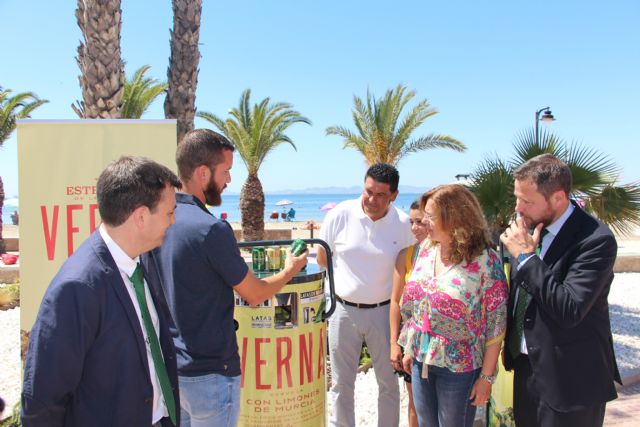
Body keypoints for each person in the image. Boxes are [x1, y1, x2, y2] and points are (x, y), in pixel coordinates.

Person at [148, 129, 308, 427]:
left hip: (171, 371)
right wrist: (290, 270)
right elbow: (256, 293)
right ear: (202, 172)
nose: (229, 181)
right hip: (211, 373)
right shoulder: (210, 229)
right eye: (226, 171)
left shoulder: (156, 224)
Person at [22, 156, 182, 427]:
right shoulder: (77, 287)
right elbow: (43, 399)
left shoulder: (141, 263)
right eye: (169, 212)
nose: (174, 221)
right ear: (141, 216)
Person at [500, 153, 621, 427]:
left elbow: (569, 308)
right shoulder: (528, 229)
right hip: (527, 370)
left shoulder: (595, 240)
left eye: (527, 201)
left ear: (558, 197)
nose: (518, 208)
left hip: (571, 381)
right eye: (517, 198)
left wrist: (528, 259)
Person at [399, 184, 508, 427]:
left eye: (430, 216)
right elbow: (416, 306)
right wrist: (409, 347)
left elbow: (497, 323)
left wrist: (487, 378)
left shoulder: (484, 260)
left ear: (455, 217)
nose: (423, 222)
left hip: (460, 367)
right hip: (420, 358)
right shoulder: (426, 250)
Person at [316, 163, 415, 427]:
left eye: (380, 195)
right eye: (368, 191)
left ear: (394, 195)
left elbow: (407, 272)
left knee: (388, 383)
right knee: (340, 383)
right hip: (342, 310)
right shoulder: (340, 214)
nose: (371, 199)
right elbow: (322, 259)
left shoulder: (404, 224)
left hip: (384, 313)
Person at [390, 200, 428, 427]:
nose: (414, 228)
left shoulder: (450, 255)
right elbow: (395, 302)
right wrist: (394, 343)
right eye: (411, 222)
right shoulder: (406, 256)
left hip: (441, 343)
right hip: (410, 341)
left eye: (420, 221)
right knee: (415, 403)